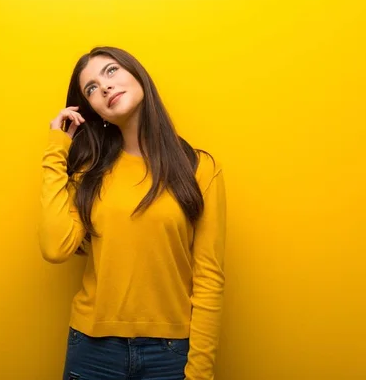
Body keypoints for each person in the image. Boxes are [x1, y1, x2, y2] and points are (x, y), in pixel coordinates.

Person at [38, 46, 226, 380]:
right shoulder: (89, 172)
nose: (104, 87)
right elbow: (56, 248)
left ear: (138, 75)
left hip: (171, 353)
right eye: (91, 88)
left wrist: (199, 372)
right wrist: (57, 149)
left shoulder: (199, 168)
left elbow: (209, 279)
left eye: (110, 72)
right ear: (94, 111)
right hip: (92, 349)